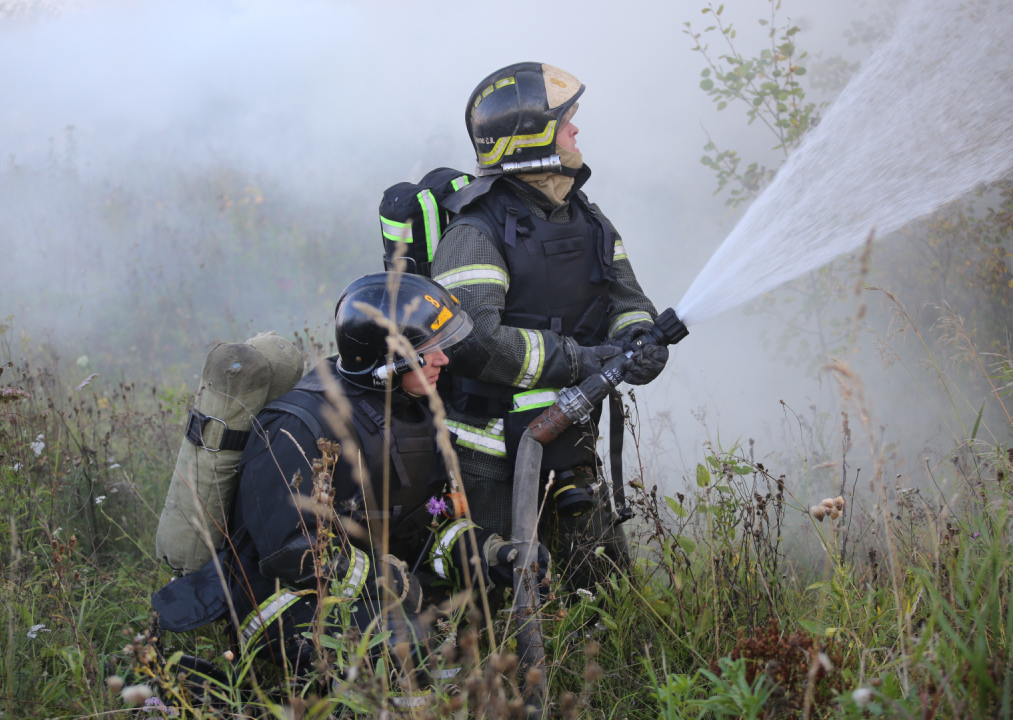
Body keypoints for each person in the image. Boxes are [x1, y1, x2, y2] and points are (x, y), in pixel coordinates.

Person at [154, 272, 542, 702]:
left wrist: (489, 553)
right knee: (407, 653)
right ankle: (216, 701)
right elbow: (291, 551)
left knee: (471, 608)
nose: (444, 361)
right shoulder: (297, 427)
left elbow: (430, 519)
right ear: (387, 363)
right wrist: (382, 577)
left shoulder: (414, 413)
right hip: (273, 595)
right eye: (428, 352)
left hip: (365, 582)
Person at [432, 63, 669, 595]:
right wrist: (586, 361)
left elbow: (626, 300)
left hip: (569, 437)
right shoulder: (473, 231)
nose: (576, 131)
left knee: (604, 591)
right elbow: (474, 341)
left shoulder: (587, 217)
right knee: (500, 597)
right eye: (566, 122)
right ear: (530, 138)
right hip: (488, 456)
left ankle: (607, 671)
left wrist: (641, 341)